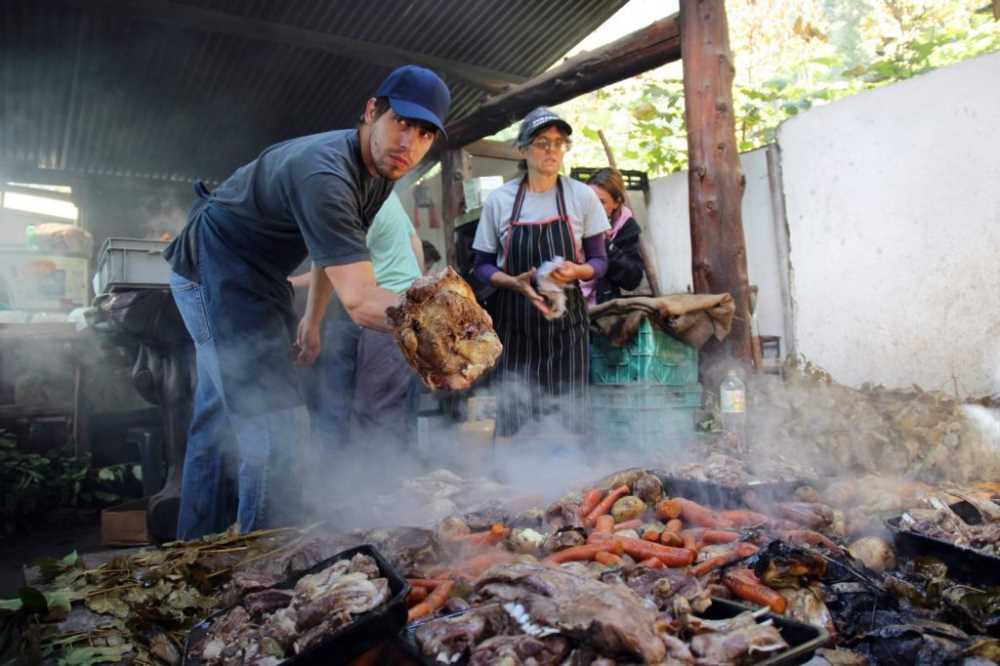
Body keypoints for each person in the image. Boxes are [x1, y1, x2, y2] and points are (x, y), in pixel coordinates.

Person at [163, 65, 450, 539]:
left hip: (259, 274)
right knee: (272, 426)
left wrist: (313, 321)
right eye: (402, 122)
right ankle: (259, 560)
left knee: (219, 414)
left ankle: (195, 546)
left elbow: (333, 251)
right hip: (212, 267)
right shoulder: (325, 172)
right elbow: (359, 301)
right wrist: (439, 340)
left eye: (424, 134)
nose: (409, 143)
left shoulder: (379, 173)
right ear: (371, 111)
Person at [471, 107, 609, 439]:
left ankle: (570, 485)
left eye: (560, 143)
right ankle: (517, 485)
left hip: (567, 326)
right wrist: (513, 283)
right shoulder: (501, 201)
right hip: (515, 324)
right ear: (523, 149)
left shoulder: (581, 196)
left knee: (569, 416)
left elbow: (601, 261)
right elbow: (481, 266)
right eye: (542, 142)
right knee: (517, 415)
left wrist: (579, 270)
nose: (552, 150)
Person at [299, 191, 424, 455]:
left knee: (376, 411)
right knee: (349, 408)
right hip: (367, 307)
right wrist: (415, 288)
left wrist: (290, 285)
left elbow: (333, 264)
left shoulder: (355, 202)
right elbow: (415, 244)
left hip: (382, 308)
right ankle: (359, 476)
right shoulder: (387, 194)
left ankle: (378, 483)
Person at [582, 168, 646, 305]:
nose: (592, 208)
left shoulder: (625, 227)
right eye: (588, 200)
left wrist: (605, 244)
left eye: (601, 202)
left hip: (601, 306)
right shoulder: (571, 220)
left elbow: (632, 279)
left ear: (616, 203)